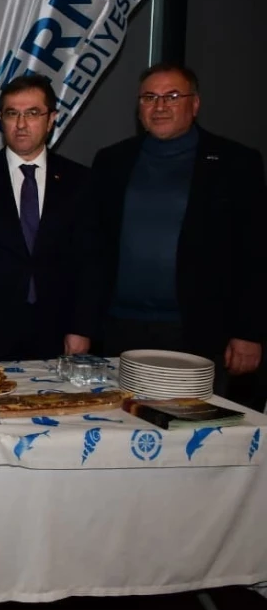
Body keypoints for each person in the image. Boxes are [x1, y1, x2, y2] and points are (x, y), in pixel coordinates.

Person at [91, 62, 267, 388]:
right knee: (122, 417)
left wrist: (248, 331)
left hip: (201, 332)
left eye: (172, 96)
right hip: (120, 328)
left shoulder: (237, 163)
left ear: (194, 104)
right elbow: (94, 247)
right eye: (149, 97)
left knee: (196, 419)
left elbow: (255, 253)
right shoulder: (111, 161)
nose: (159, 106)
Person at [0, 74, 95, 361]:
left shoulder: (80, 181)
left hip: (60, 329)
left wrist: (81, 327)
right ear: (0, 119)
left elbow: (91, 261)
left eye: (33, 113)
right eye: (12, 113)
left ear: (51, 119)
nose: (21, 124)